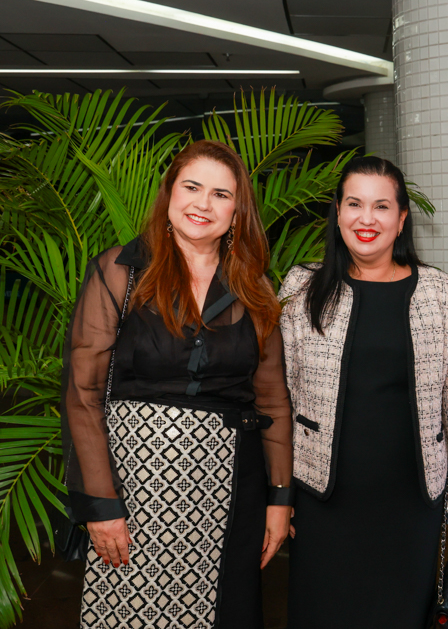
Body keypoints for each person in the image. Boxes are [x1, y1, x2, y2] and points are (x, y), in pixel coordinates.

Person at [61, 140, 293, 628]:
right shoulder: (121, 271)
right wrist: (101, 505)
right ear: (169, 194)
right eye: (192, 187)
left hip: (233, 491)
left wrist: (279, 499)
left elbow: (273, 398)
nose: (203, 204)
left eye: (221, 194)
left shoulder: (255, 287)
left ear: (237, 210)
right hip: (136, 491)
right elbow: (83, 394)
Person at [279, 156, 448, 628]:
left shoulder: (442, 294)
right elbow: (280, 399)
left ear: (401, 218)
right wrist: (281, 497)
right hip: (321, 498)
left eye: (381, 206)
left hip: (411, 505)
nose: (366, 218)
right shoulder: (301, 287)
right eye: (354, 203)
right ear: (337, 212)